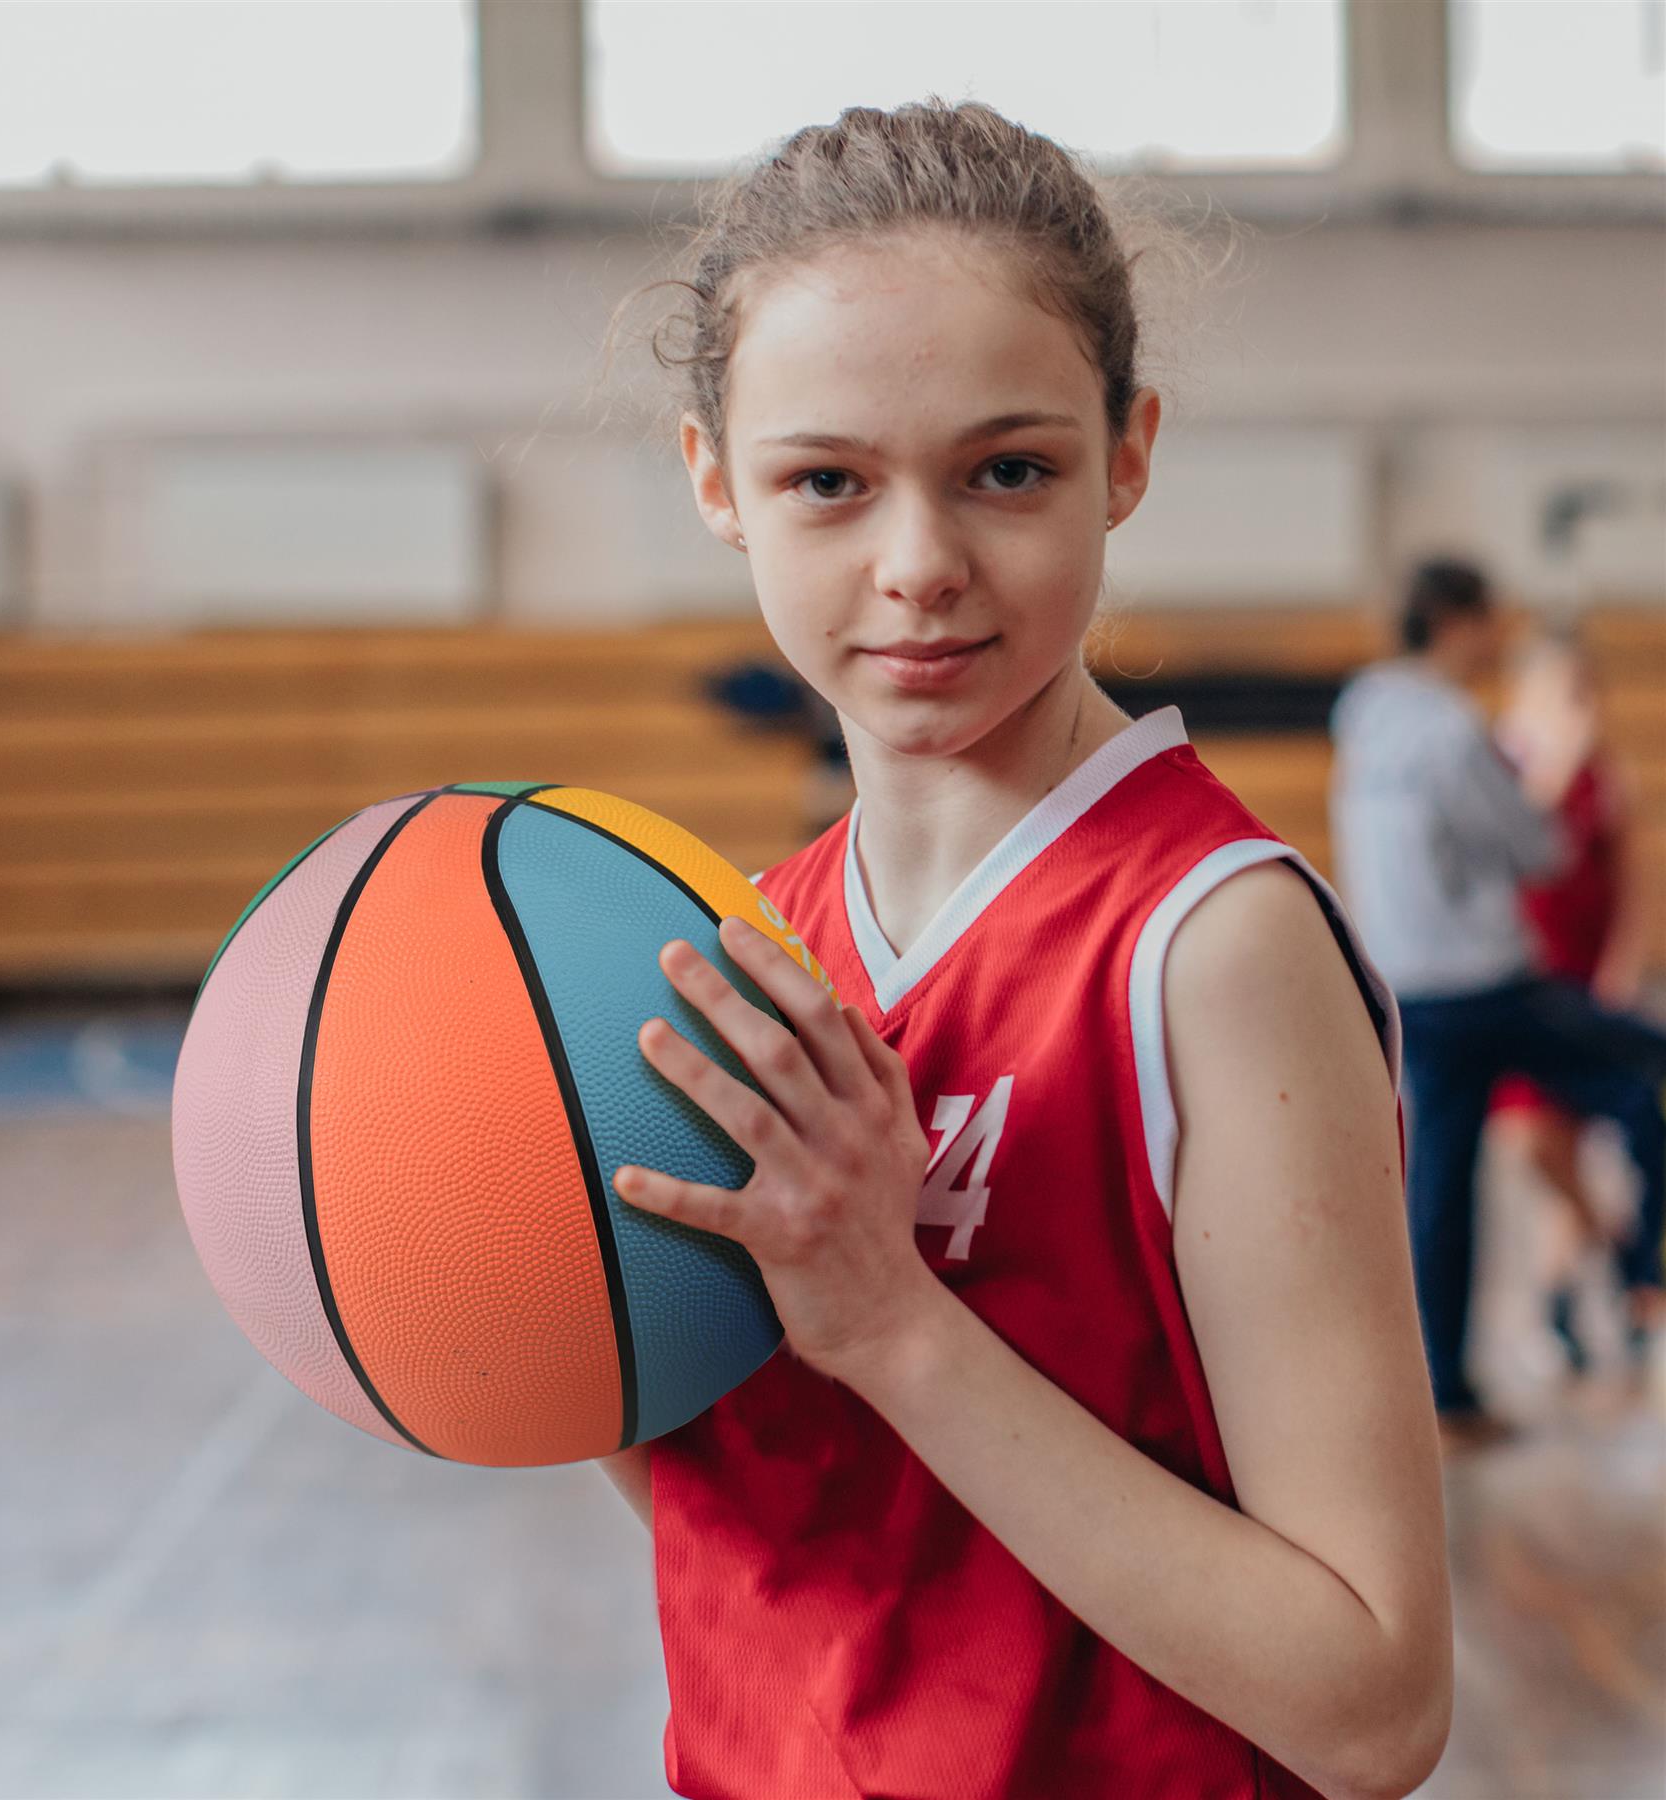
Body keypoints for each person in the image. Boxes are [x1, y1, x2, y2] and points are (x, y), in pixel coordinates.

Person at [594, 101, 1450, 1800]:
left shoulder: (1210, 946)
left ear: (1126, 454)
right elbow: (788, 1526)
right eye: (826, 481)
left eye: (1009, 471)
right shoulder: (741, 956)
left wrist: (895, 1324)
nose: (919, 566)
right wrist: (524, 1328)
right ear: (716, 482)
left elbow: (1372, 1709)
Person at [1329, 559, 1666, 1446]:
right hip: (1485, 985)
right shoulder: (1446, 725)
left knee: (1440, 1193)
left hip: (1413, 996)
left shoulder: (1365, 714)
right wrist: (1553, 772)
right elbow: (1537, 847)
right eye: (1489, 618)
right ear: (1453, 620)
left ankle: (1449, 1397)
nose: (1500, 634)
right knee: (1647, 1068)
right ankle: (1644, 1265)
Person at [1486, 628, 1662, 1366]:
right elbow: (1522, 847)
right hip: (1522, 982)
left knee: (1572, 1136)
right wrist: (1555, 758)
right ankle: (1621, 1260)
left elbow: (1637, 884)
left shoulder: (1607, 778)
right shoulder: (1503, 765)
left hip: (1585, 983)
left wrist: (1623, 971)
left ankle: (1563, 1296)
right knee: (1531, 1144)